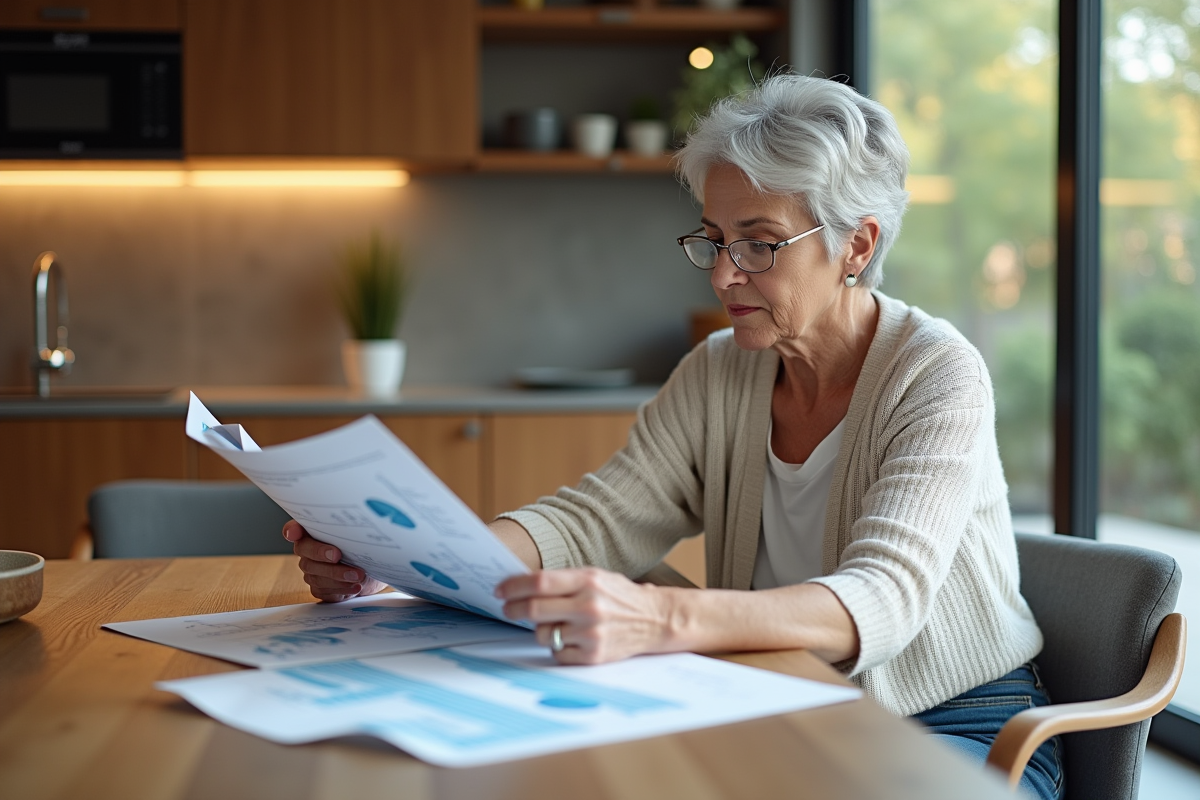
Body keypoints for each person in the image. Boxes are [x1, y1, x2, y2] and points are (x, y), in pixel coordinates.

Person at [283, 74, 1061, 799]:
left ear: (856, 246)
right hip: (784, 700)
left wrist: (660, 621)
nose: (723, 276)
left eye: (759, 243)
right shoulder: (721, 369)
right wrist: (404, 559)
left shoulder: (936, 373)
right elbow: (596, 521)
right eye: (714, 239)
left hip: (956, 725)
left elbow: (882, 600)